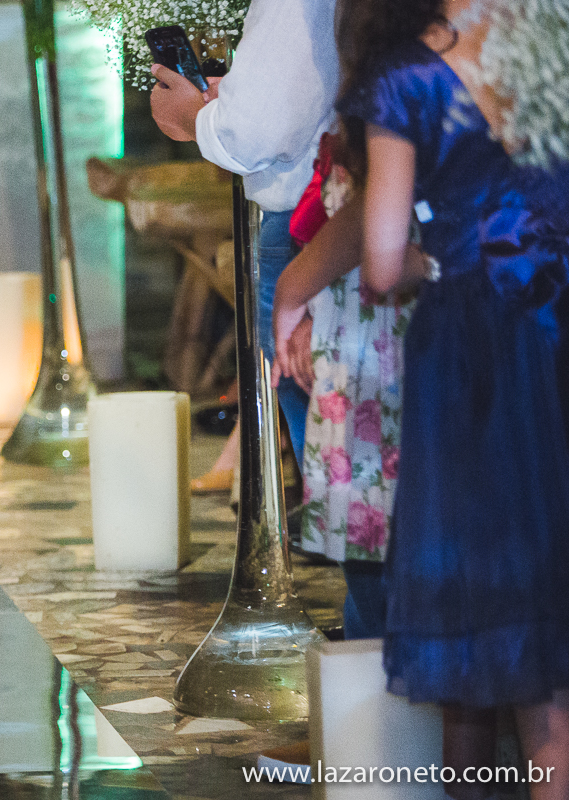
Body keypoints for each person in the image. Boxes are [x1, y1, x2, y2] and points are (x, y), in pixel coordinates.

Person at [334, 1, 569, 796]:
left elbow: (381, 262)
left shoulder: (408, 78)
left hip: (473, 363)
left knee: (471, 614)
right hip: (555, 331)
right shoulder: (553, 50)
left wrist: (439, 267)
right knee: (551, 645)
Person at [150, 0, 340, 490]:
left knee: (336, 452)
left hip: (312, 221)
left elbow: (256, 129)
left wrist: (197, 118)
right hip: (345, 214)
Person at [271, 133, 413, 641]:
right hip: (356, 328)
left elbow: (382, 249)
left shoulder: (395, 92)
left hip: (384, 343)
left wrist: (295, 288)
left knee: (388, 522)